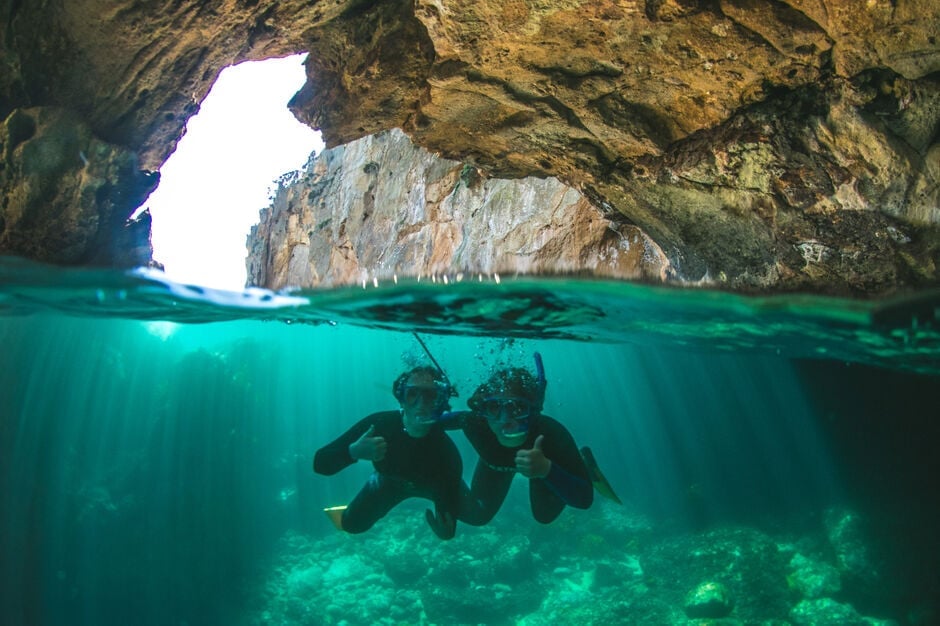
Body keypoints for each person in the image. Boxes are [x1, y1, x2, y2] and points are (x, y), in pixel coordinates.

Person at [313, 365, 464, 540]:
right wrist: (352, 452)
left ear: (442, 402)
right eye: (413, 394)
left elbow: (449, 495)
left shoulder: (447, 454)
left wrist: (446, 531)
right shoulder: (379, 425)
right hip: (388, 482)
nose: (421, 403)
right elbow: (320, 464)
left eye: (431, 395)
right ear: (401, 399)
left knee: (477, 517)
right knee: (352, 525)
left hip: (432, 487)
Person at [450, 358, 594, 525]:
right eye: (495, 407)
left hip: (542, 464)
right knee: (478, 516)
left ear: (532, 412)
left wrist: (546, 469)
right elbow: (430, 422)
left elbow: (584, 500)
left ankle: (584, 461)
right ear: (483, 410)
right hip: (495, 463)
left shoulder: (550, 434)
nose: (505, 420)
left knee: (544, 516)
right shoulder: (476, 422)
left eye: (516, 408)